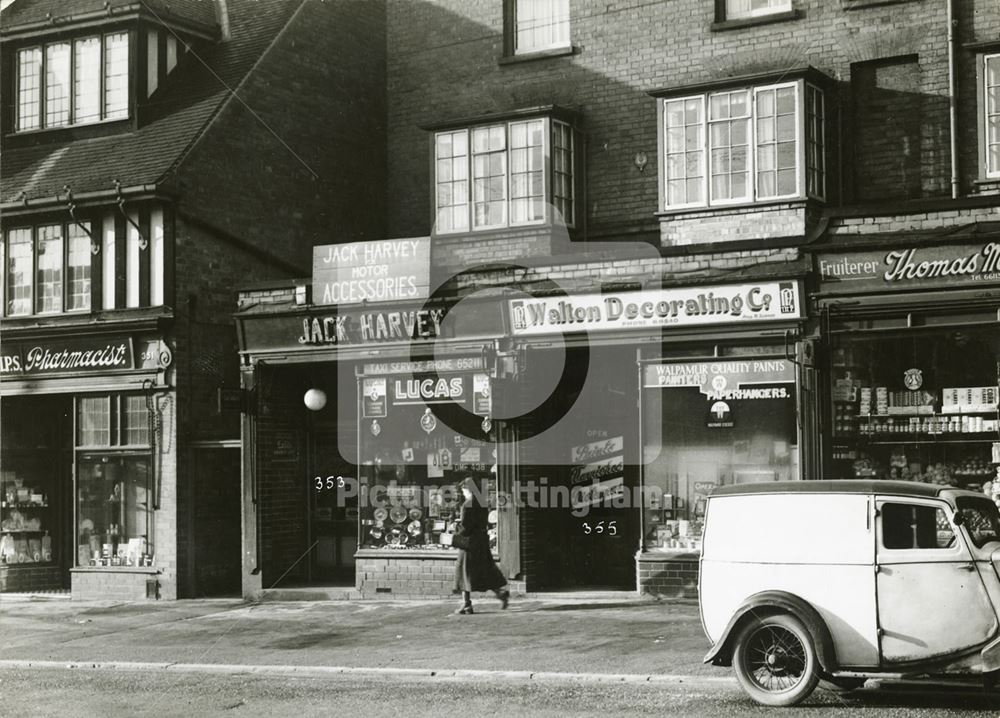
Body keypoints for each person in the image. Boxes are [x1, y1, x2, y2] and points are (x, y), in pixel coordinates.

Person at [453, 476, 509, 615]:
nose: (463, 493)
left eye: (463, 490)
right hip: (481, 541)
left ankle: (466, 604)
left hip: (469, 543)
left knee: (463, 571)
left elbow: (465, 527)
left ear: (467, 490)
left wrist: (456, 529)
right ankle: (501, 594)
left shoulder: (467, 505)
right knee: (484, 571)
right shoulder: (483, 502)